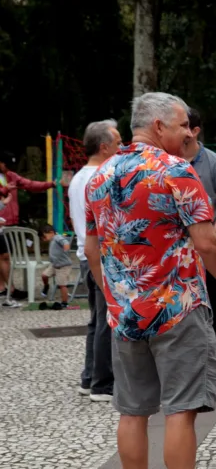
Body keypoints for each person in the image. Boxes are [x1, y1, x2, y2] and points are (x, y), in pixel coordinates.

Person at [85, 92, 216, 469]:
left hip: (127, 314)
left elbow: (93, 248)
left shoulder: (100, 177)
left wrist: (114, 295)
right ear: (158, 126)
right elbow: (208, 243)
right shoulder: (177, 172)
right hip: (176, 307)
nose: (189, 133)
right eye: (182, 126)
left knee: (132, 411)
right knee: (181, 409)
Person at [181, 109, 216, 389]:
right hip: (176, 253)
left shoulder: (213, 162)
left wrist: (210, 238)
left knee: (214, 306)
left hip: (206, 250)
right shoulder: (168, 160)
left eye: (184, 126)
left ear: (195, 130)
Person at [69, 120, 121, 401]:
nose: (122, 147)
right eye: (117, 143)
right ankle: (102, 382)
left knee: (96, 320)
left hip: (85, 254)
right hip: (99, 255)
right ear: (104, 148)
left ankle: (89, 377)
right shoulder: (99, 177)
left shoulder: (79, 177)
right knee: (106, 320)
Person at [0, 151, 56, 305]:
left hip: (10, 222)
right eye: (4, 163)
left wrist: (50, 184)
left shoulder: (11, 176)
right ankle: (7, 289)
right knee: (3, 256)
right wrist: (5, 190)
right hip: (1, 222)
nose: (6, 167)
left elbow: (30, 184)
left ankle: (6, 288)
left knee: (4, 257)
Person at [40, 224, 73, 309]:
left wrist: (66, 247)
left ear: (51, 232)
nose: (44, 239)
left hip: (63, 266)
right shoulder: (52, 239)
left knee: (62, 285)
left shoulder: (57, 237)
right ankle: (46, 286)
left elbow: (65, 242)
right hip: (54, 265)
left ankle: (65, 302)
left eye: (44, 236)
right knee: (44, 275)